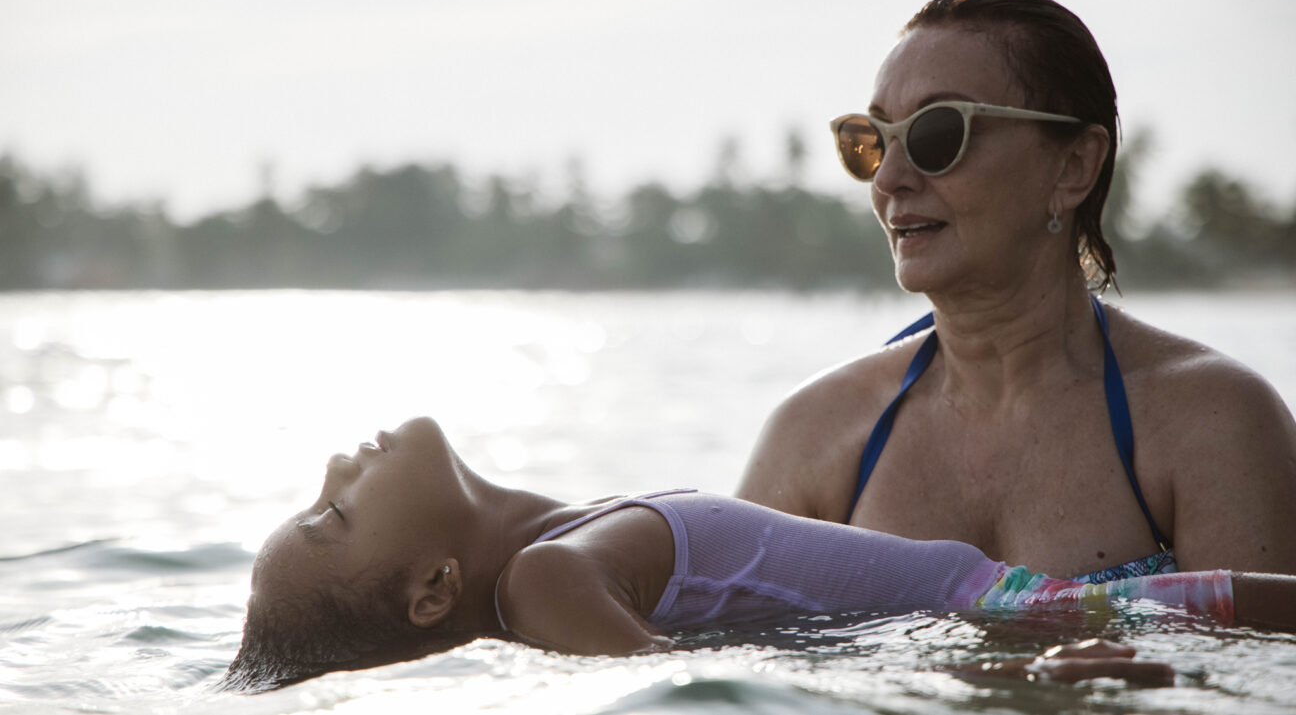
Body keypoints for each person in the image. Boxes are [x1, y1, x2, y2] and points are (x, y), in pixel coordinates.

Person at [737, 0, 1296, 582]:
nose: (891, 178)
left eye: (937, 133)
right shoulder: (815, 438)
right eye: (871, 141)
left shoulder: (1213, 423)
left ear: (1073, 166)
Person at [224, 417, 1296, 691]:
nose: (336, 465)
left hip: (1018, 604)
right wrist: (1007, 675)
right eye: (333, 515)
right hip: (1025, 614)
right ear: (432, 591)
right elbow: (690, 699)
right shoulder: (551, 576)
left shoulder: (563, 544)